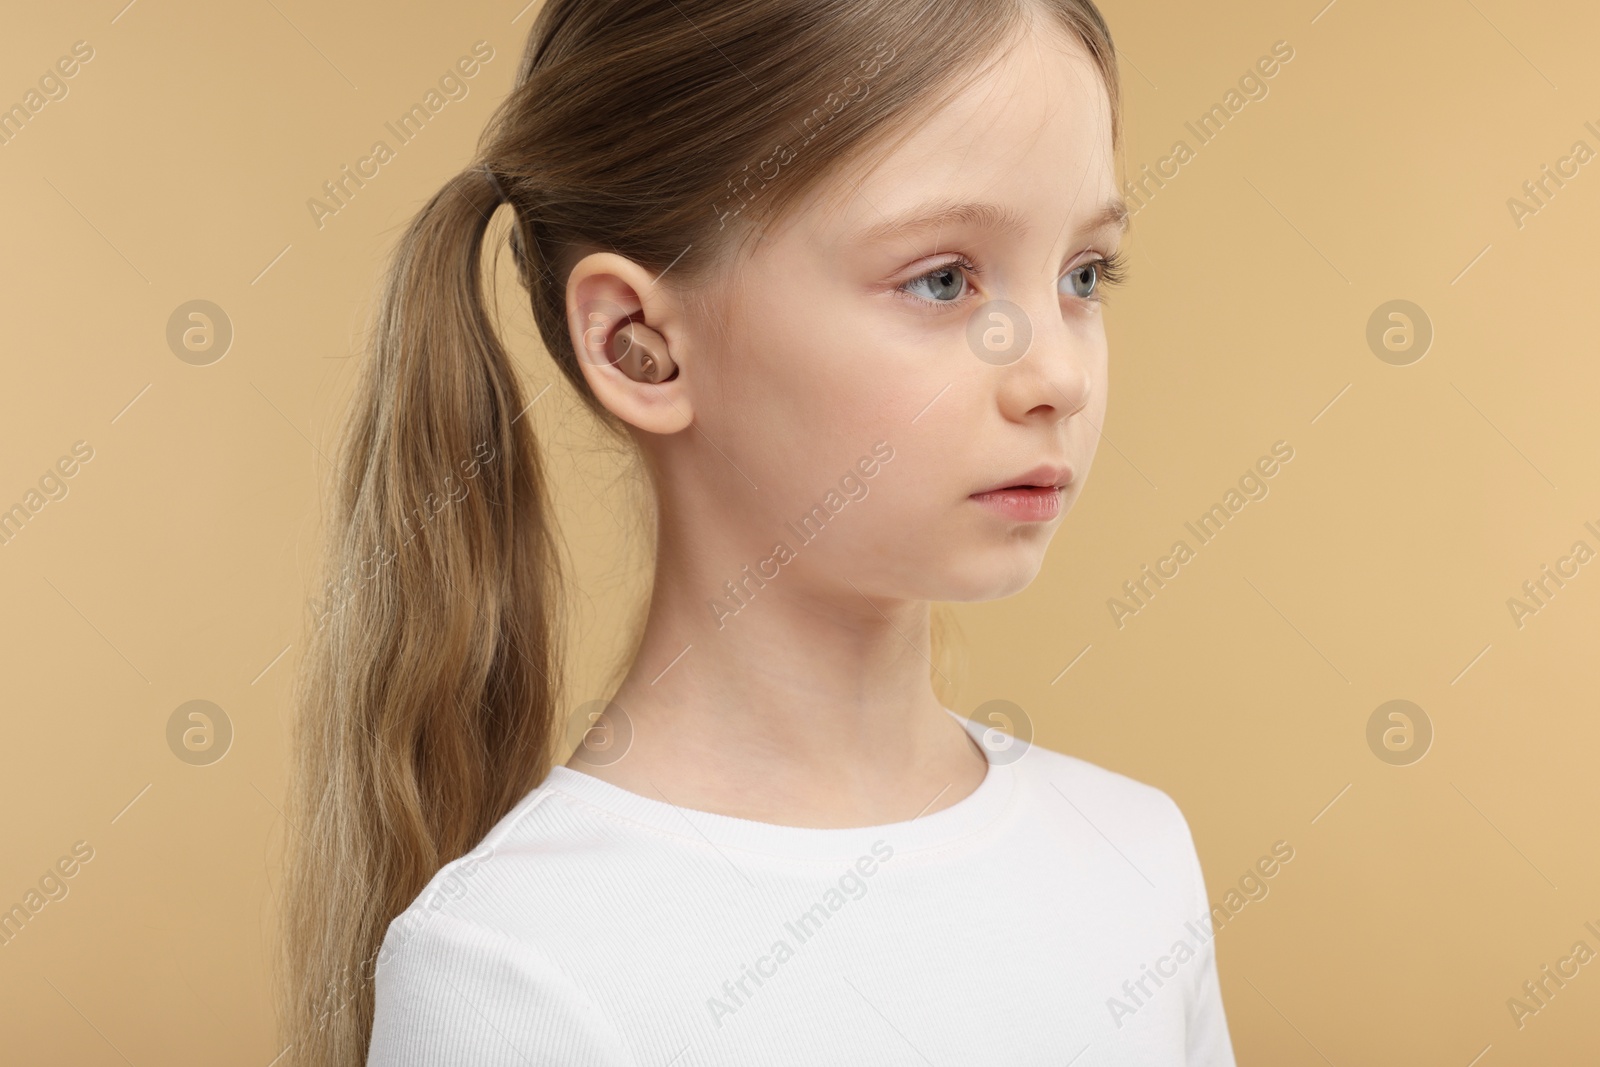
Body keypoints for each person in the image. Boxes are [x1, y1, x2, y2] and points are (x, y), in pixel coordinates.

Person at [279, 1, 1237, 1064]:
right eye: (940, 279)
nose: (1057, 372)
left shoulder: (1134, 860)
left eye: (1084, 274)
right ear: (641, 344)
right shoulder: (516, 972)